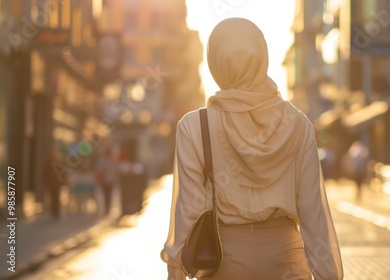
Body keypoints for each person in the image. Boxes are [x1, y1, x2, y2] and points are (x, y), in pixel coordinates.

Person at [160, 18, 343, 280]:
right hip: (287, 259)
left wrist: (176, 271)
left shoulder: (195, 126)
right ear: (262, 56)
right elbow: (314, 213)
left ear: (215, 61)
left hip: (224, 261)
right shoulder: (298, 124)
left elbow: (188, 208)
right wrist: (329, 276)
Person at [95, 149, 117, 215]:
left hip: (105, 181)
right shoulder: (113, 161)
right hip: (110, 181)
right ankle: (108, 208)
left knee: (105, 195)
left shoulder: (102, 161)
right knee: (109, 195)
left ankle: (106, 208)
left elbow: (99, 170)